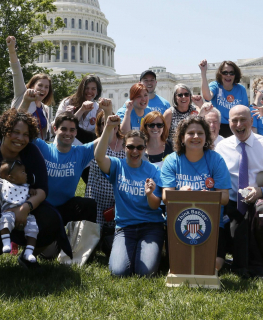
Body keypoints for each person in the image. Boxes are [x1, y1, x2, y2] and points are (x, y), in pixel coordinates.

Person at [0, 109, 71, 286]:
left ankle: (27, 257)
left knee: (52, 219)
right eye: (15, 132)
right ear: (3, 131)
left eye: (25, 134)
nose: (20, 138)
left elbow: (42, 189)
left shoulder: (31, 153)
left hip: (21, 206)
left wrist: (26, 207)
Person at [215, 105, 263, 279]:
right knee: (235, 230)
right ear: (229, 122)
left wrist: (262, 190)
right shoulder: (221, 148)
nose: (239, 124)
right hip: (233, 202)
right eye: (234, 120)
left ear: (251, 121)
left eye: (243, 119)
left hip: (261, 200)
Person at [94, 115, 165, 277]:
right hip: (125, 229)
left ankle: (154, 251)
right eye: (131, 147)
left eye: (140, 148)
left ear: (145, 149)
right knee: (119, 272)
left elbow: (155, 206)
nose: (135, 151)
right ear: (124, 147)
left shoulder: (153, 171)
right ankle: (117, 245)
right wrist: (108, 128)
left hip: (151, 227)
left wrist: (149, 194)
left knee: (145, 273)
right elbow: (99, 157)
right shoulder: (117, 165)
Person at [161, 116, 231, 270]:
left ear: (206, 137)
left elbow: (225, 198)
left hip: (211, 223)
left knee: (213, 266)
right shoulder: (172, 161)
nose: (196, 137)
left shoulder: (216, 160)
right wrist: (180, 194)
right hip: (178, 224)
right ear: (181, 137)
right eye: (190, 133)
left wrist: (208, 197)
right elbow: (166, 197)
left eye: (200, 133)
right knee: (179, 266)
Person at [85, 110, 125, 255]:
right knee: (91, 246)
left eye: (113, 123)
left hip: (117, 202)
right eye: (104, 123)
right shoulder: (95, 145)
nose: (109, 125)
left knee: (112, 245)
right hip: (96, 199)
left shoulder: (127, 145)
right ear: (100, 126)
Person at [0, 158, 38, 263]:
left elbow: (28, 195)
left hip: (26, 216)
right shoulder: (2, 185)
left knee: (34, 227)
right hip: (8, 212)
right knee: (6, 219)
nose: (26, 174)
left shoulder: (26, 186)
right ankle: (6, 242)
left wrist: (31, 191)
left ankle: (29, 252)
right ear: (10, 177)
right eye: (22, 172)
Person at [7, 36, 54, 140]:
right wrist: (11, 50)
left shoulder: (44, 109)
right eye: (40, 85)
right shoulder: (22, 94)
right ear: (32, 86)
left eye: (47, 87)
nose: (43, 89)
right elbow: (16, 71)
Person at [199, 59, 248, 138]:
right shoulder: (216, 86)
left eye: (231, 73)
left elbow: (245, 110)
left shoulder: (241, 89)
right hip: (218, 127)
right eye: (225, 72)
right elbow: (207, 96)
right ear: (220, 74)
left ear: (235, 75)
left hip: (236, 126)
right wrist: (203, 72)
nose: (228, 75)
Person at [55, 74, 103, 144]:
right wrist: (81, 110)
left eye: (93, 89)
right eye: (86, 88)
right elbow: (56, 126)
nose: (89, 91)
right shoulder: (68, 102)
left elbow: (98, 134)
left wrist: (100, 118)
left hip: (86, 148)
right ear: (81, 89)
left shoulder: (98, 108)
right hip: (66, 145)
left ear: (97, 92)